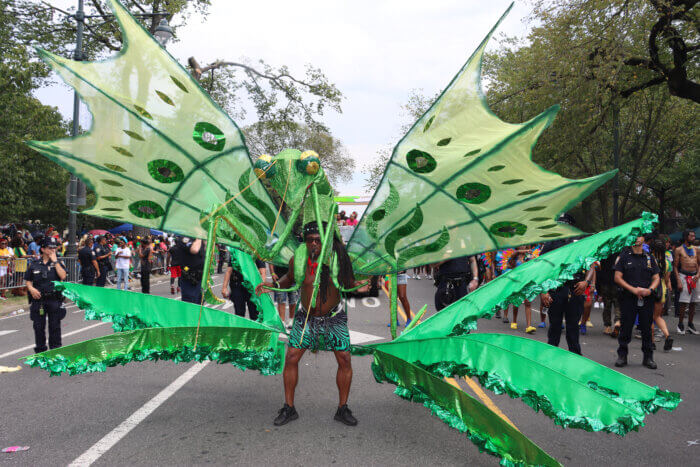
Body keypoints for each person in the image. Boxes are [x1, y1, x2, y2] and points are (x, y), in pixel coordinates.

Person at [255, 221, 366, 427]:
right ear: (304, 242)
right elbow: (289, 279)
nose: (314, 244)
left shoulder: (339, 259)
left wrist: (358, 285)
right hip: (305, 317)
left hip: (335, 318)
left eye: (318, 240)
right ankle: (289, 408)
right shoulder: (298, 260)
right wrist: (273, 285)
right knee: (291, 357)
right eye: (310, 241)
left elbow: (348, 282)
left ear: (326, 241)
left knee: (344, 359)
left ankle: (342, 408)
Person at [539, 214, 594, 355]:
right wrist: (543, 292)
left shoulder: (580, 242)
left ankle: (575, 357)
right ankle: (551, 357)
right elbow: (541, 268)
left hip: (575, 289)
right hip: (556, 290)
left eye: (566, 224)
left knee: (573, 327)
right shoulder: (550, 243)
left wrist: (586, 282)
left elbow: (591, 265)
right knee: (555, 327)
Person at [614, 236, 660, 369]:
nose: (636, 238)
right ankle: (622, 355)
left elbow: (656, 277)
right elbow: (617, 277)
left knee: (646, 328)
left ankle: (648, 357)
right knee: (626, 328)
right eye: (634, 235)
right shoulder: (624, 256)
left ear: (644, 238)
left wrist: (650, 290)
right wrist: (633, 290)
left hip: (647, 299)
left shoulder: (649, 258)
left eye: (639, 235)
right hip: (629, 298)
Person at [24, 237, 67, 353]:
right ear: (42, 249)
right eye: (50, 248)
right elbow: (27, 280)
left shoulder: (58, 262)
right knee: (38, 327)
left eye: (54, 247)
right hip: (38, 300)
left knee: (54, 326)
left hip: (54, 299)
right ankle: (41, 351)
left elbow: (63, 276)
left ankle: (55, 350)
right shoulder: (34, 264)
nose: (53, 250)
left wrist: (55, 261)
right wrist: (31, 288)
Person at [674, 229, 699, 334]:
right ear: (685, 237)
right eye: (691, 236)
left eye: (694, 236)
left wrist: (698, 275)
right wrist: (679, 280)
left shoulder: (696, 249)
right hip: (684, 276)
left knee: (694, 302)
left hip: (695, 277)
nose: (693, 237)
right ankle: (680, 324)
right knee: (684, 302)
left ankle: (690, 324)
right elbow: (675, 267)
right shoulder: (679, 250)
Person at [651, 239, 674, 351]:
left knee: (649, 317)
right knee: (658, 316)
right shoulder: (667, 263)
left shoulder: (649, 260)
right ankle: (667, 335)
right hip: (662, 290)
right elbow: (666, 279)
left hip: (650, 289)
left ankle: (651, 342)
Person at [222, 253, 260, 320]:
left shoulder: (255, 251)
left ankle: (254, 330)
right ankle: (241, 330)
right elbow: (229, 271)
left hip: (252, 287)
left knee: (254, 314)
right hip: (237, 285)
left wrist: (260, 287)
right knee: (239, 313)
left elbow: (262, 271)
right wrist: (224, 287)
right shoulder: (235, 252)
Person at [269, 262, 298, 328]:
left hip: (293, 277)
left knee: (293, 300)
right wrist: (272, 273)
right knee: (281, 300)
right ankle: (282, 321)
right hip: (279, 277)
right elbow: (271, 259)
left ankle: (291, 320)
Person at [177, 237, 205, 304]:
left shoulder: (199, 240)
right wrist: (199, 237)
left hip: (200, 278)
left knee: (199, 304)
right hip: (190, 278)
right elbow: (194, 250)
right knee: (190, 304)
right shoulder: (185, 238)